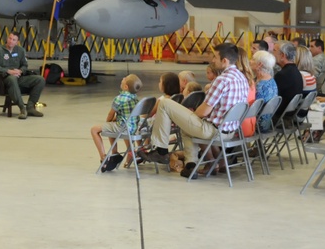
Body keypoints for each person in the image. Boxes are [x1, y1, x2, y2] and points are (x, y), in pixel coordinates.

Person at [141, 43, 249, 178]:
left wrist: (189, 116)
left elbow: (203, 111)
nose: (213, 60)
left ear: (224, 61)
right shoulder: (242, 78)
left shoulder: (222, 80)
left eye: (215, 57)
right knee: (186, 128)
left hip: (213, 131)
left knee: (164, 103)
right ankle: (191, 165)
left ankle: (161, 150)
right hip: (230, 131)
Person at [0, 31, 45, 119]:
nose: (11, 41)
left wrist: (20, 71)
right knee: (12, 79)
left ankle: (30, 107)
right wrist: (8, 71)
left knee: (40, 79)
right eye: (9, 38)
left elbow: (25, 65)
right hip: (4, 78)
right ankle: (22, 108)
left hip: (18, 77)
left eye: (13, 40)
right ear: (7, 39)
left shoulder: (20, 50)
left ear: (17, 42)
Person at [92, 74, 142, 172]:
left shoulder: (119, 98)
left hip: (123, 127)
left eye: (125, 78)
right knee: (112, 125)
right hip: (133, 127)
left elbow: (110, 115)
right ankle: (117, 152)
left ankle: (103, 158)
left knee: (94, 129)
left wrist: (107, 123)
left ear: (126, 87)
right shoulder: (135, 98)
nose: (123, 78)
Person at [273, 41, 303, 118]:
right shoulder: (295, 70)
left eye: (274, 50)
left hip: (280, 116)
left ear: (283, 55)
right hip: (290, 113)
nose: (271, 53)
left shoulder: (282, 75)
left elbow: (273, 99)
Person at [251, 51, 278, 133]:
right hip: (267, 123)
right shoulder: (270, 80)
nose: (250, 61)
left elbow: (251, 108)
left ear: (260, 64)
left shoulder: (260, 86)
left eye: (253, 59)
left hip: (257, 125)